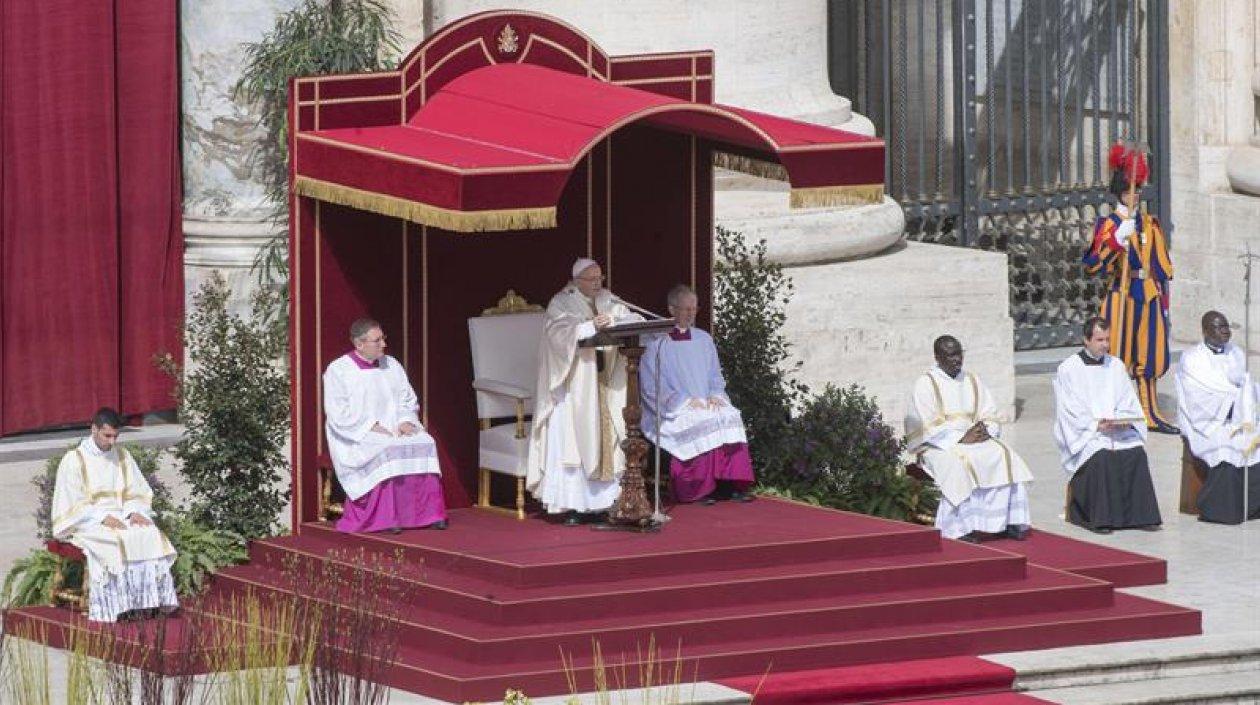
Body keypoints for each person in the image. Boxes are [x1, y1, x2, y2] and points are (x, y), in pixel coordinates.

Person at [526, 258, 640, 525]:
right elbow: (558, 334)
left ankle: (604, 503)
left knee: (606, 437)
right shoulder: (561, 302)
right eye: (593, 279)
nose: (599, 283)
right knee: (575, 442)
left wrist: (613, 318)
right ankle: (574, 504)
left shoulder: (607, 298)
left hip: (603, 383)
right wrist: (590, 327)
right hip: (573, 388)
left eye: (601, 278)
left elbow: (635, 317)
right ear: (577, 281)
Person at [1082, 141, 1177, 434]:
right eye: (1128, 190)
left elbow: (1162, 267)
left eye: (1136, 189)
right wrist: (1115, 242)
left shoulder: (1149, 223)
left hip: (1146, 293)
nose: (1134, 195)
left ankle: (1150, 413)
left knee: (1149, 355)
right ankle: (1117, 411)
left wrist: (1161, 297)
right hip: (1121, 296)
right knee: (1119, 353)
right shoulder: (1109, 224)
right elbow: (1093, 265)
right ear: (1120, 192)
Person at [50, 408, 178, 622]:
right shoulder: (74, 460)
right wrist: (101, 517)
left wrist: (134, 511)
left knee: (149, 533)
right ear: (94, 429)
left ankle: (145, 603)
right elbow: (72, 502)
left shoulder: (122, 456)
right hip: (87, 522)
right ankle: (112, 606)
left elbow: (136, 490)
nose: (111, 441)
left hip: (122, 516)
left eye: (115, 436)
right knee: (113, 540)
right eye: (106, 435)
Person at [904, 336, 1034, 541]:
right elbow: (927, 424)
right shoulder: (925, 384)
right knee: (959, 465)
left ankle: (1007, 521)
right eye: (950, 355)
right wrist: (962, 437)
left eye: (959, 353)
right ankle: (960, 528)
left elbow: (989, 412)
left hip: (974, 439)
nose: (957, 359)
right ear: (937, 357)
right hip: (940, 445)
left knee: (1005, 455)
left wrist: (985, 430)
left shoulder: (972, 380)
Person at [323, 318, 448, 533]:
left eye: (383, 338)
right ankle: (388, 517)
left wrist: (406, 421)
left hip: (396, 427)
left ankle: (428, 514)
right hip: (357, 433)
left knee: (425, 441)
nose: (383, 344)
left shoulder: (392, 365)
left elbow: (406, 399)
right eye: (377, 340)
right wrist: (370, 426)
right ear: (359, 344)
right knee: (386, 448)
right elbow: (338, 413)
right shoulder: (339, 370)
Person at [640, 285, 754, 505]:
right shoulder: (656, 344)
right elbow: (652, 386)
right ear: (672, 309)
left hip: (705, 399)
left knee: (729, 414)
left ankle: (729, 484)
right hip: (674, 408)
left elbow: (715, 375)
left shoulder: (704, 339)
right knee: (699, 420)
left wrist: (715, 395)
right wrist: (684, 402)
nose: (691, 313)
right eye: (686, 309)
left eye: (694, 308)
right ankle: (700, 488)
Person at [1053, 317, 1162, 533]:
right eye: (1099, 339)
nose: (1105, 345)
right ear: (1086, 339)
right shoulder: (1069, 369)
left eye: (1107, 340)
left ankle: (1141, 516)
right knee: (1101, 454)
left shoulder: (1116, 365)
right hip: (1087, 433)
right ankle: (1099, 518)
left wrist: (1124, 421)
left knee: (1136, 452)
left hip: (1115, 430)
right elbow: (1068, 410)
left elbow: (1127, 400)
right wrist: (1095, 425)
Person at [1174, 310, 1260, 523]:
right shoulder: (1193, 358)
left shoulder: (1236, 353)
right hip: (1208, 421)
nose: (1225, 332)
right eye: (1219, 327)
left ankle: (1253, 507)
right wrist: (1233, 401)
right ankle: (1222, 509)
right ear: (1205, 331)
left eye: (1227, 327)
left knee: (1254, 440)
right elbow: (1197, 397)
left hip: (1238, 417)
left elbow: (1246, 382)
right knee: (1225, 444)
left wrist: (1247, 397)